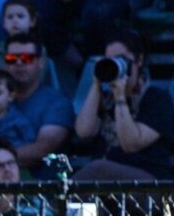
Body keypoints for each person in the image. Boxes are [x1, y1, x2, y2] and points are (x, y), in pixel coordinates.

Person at [71, 29, 174, 180]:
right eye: (109, 60)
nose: (115, 65)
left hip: (149, 183)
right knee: (97, 168)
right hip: (106, 182)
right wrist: (96, 84)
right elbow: (83, 131)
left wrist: (120, 97)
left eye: (121, 59)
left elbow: (131, 143)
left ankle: (54, 202)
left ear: (138, 60)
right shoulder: (105, 97)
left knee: (98, 168)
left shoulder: (157, 99)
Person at [0, 32, 73, 167]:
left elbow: (42, 150)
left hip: (41, 183)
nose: (19, 63)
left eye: (27, 58)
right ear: (5, 63)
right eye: (12, 58)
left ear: (41, 62)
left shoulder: (58, 104)